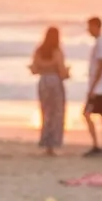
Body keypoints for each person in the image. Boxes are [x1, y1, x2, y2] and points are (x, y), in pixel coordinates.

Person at [30, 26, 69, 155]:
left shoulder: (39, 51)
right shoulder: (57, 51)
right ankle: (52, 144)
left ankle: (46, 143)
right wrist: (67, 73)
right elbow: (62, 71)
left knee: (45, 113)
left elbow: (34, 69)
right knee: (57, 113)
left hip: (43, 81)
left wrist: (43, 67)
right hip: (55, 81)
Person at [83, 16, 102, 157]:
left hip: (100, 88)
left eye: (89, 27)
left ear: (96, 26)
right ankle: (100, 146)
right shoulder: (100, 43)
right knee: (101, 116)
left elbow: (101, 66)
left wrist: (93, 88)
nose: (88, 30)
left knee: (91, 114)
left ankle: (100, 146)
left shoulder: (101, 43)